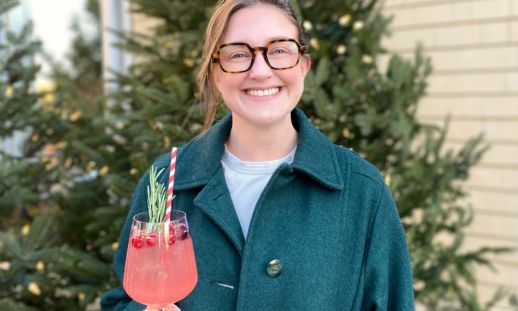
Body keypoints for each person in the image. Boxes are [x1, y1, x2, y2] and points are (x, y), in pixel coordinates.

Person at [101, 0, 415, 310]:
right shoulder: (168, 181)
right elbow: (123, 299)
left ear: (303, 66)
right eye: (238, 54)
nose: (261, 71)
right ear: (216, 74)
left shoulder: (361, 191)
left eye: (279, 50)